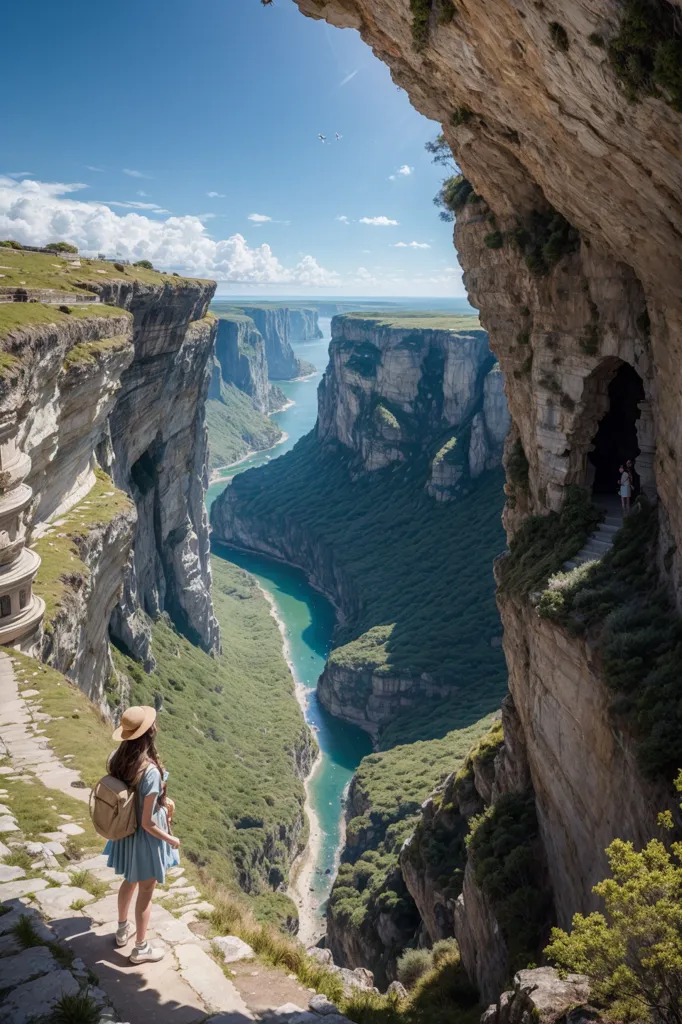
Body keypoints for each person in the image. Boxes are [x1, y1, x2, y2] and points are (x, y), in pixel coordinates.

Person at [104, 706, 180, 963]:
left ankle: (123, 928)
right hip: (144, 838)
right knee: (146, 890)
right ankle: (141, 948)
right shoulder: (150, 772)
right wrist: (170, 839)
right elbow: (148, 822)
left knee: (129, 880)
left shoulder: (117, 758)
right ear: (149, 733)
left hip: (125, 832)